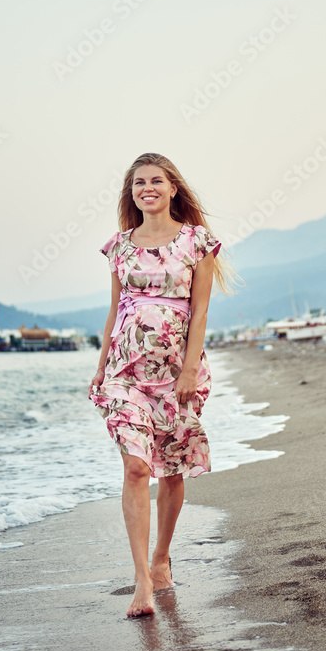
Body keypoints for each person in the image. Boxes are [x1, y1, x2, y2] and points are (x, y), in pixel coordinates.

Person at [87, 152, 235, 618]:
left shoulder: (197, 242)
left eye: (155, 181)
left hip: (176, 373)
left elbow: (201, 311)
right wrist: (101, 363)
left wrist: (190, 369)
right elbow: (116, 310)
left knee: (170, 470)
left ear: (173, 188)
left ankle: (162, 556)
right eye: (137, 183)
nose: (146, 188)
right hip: (125, 373)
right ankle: (142, 582)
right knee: (135, 467)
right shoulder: (120, 247)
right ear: (131, 194)